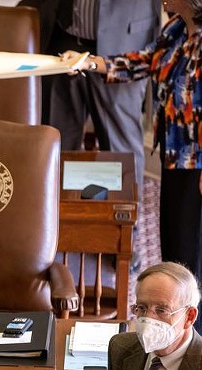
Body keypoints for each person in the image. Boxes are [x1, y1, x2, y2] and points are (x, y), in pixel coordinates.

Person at [61, 0, 202, 332]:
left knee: (192, 260)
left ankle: (192, 340)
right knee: (177, 252)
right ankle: (179, 339)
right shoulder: (177, 29)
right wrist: (89, 63)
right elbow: (142, 62)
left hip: (197, 165)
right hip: (176, 159)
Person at [46, 0, 161, 198]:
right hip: (65, 38)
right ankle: (55, 218)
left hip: (123, 44)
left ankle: (125, 225)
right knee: (56, 139)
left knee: (120, 146)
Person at [108, 262, 201, 369]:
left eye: (161, 310)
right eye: (142, 307)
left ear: (189, 316)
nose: (148, 319)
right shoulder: (119, 347)